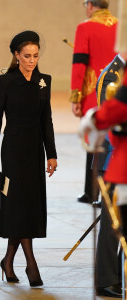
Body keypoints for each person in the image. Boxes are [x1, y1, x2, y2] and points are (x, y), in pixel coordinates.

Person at [0, 31, 57, 286]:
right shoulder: (5, 82)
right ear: (16, 55)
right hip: (13, 150)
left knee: (29, 205)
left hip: (35, 150)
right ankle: (31, 264)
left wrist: (52, 154)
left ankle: (8, 260)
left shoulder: (44, 82)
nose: (32, 61)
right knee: (17, 204)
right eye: (27, 56)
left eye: (36, 56)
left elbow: (46, 120)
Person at [69, 0, 117, 204]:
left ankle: (92, 192)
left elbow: (79, 64)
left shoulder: (85, 27)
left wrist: (75, 96)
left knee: (94, 140)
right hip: (118, 90)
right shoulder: (120, 25)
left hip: (94, 91)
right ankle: (110, 191)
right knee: (113, 140)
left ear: (90, 5)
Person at [94, 53, 126, 298]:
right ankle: (106, 279)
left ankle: (116, 273)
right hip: (115, 156)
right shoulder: (112, 74)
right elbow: (107, 118)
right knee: (111, 223)